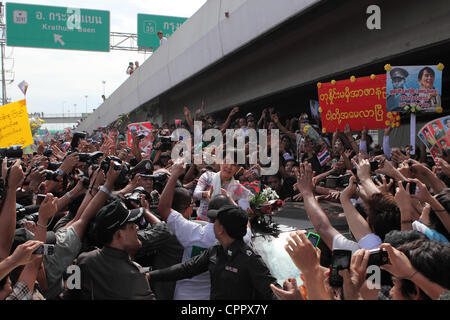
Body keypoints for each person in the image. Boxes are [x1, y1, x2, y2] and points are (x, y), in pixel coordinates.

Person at [149, 204, 280, 300]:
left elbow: (272, 291)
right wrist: (150, 276)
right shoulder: (216, 250)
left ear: (221, 229)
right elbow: (187, 268)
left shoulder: (250, 259)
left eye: (214, 222)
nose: (210, 225)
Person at [76, 200, 156, 299]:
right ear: (118, 234)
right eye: (131, 226)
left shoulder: (84, 260)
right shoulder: (135, 278)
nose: (137, 227)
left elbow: (70, 294)